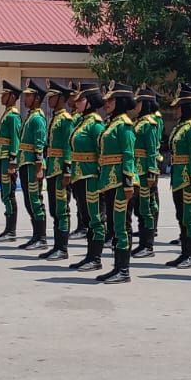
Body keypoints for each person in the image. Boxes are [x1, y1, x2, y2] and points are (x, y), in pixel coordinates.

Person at [92, 83, 138, 284]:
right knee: (113, 224)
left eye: (111, 100)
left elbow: (128, 154)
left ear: (120, 102)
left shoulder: (124, 125)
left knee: (121, 225)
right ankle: (117, 267)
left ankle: (124, 270)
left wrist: (128, 182)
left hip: (121, 182)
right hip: (109, 181)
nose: (107, 103)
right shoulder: (112, 123)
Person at [163, 84, 191, 269]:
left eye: (179, 106)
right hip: (178, 178)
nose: (176, 109)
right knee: (181, 216)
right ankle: (184, 253)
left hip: (188, 179)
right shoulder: (182, 127)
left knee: (189, 216)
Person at [67, 86, 107, 271]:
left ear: (89, 102)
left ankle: (96, 258)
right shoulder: (83, 122)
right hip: (79, 175)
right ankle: (89, 255)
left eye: (81, 100)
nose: (76, 102)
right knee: (86, 217)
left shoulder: (96, 124)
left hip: (91, 176)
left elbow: (102, 153)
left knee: (95, 217)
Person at [38, 80, 74, 261]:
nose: (49, 100)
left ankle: (63, 247)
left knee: (61, 208)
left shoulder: (66, 119)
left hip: (61, 169)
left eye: (52, 97)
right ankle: (56, 245)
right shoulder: (55, 118)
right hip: (53, 167)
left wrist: (67, 169)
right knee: (54, 208)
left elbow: (68, 145)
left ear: (60, 98)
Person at [130, 85, 164, 258]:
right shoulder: (139, 122)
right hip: (137, 169)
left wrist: (152, 171)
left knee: (146, 207)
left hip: (145, 171)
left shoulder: (150, 124)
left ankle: (148, 245)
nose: (135, 106)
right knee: (140, 207)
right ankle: (143, 241)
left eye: (138, 103)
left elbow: (152, 150)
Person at [16, 80, 48, 250]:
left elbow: (39, 143)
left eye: (28, 96)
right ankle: (35, 234)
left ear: (37, 98)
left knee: (35, 199)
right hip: (25, 161)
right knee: (29, 200)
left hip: (32, 164)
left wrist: (39, 166)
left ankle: (41, 237)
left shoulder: (38, 118)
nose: (25, 99)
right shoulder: (30, 116)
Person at [0, 80, 21, 241]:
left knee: (8, 194)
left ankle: (11, 230)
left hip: (7, 159)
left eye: (5, 95)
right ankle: (8, 229)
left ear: (12, 97)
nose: (2, 97)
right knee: (4, 194)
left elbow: (15, 139)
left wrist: (13, 161)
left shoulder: (13, 116)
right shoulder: (7, 113)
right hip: (1, 158)